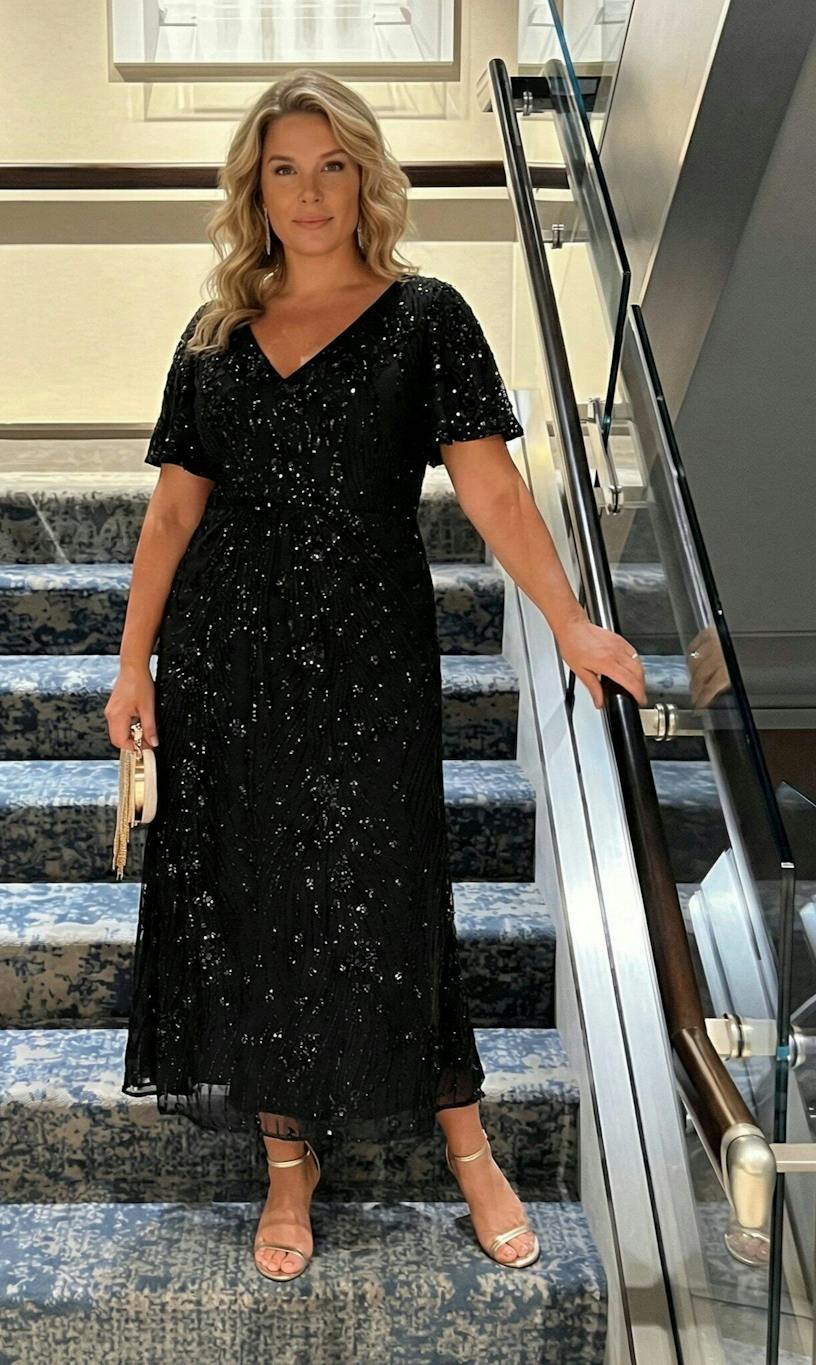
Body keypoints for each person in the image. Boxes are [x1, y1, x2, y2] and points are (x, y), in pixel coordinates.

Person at [104, 68, 647, 1284]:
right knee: (254, 901)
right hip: (226, 658)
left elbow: (492, 489)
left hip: (367, 653)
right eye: (284, 170)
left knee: (390, 894)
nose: (309, 193)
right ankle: (286, 1167)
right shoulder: (213, 336)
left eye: (332, 166)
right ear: (255, 189)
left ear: (365, 179)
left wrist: (569, 622)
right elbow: (172, 517)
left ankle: (470, 1151)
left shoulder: (424, 317)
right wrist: (133, 665)